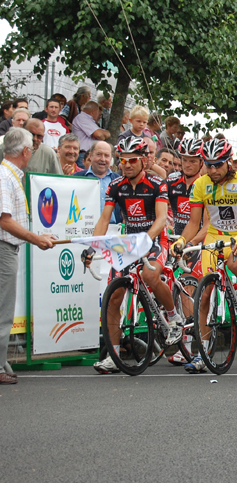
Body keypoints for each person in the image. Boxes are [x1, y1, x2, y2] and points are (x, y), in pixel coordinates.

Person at [82, 136, 183, 373]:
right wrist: (92, 247)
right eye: (123, 161)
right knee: (114, 296)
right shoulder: (116, 186)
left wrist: (146, 239)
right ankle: (113, 356)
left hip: (154, 238)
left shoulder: (157, 184)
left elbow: (161, 219)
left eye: (132, 160)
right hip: (128, 244)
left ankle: (173, 316)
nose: (127, 165)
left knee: (149, 274)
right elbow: (104, 219)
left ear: (143, 160)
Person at [171, 138, 237, 374]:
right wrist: (183, 240)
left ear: (229, 162)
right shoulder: (201, 184)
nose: (212, 170)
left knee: (233, 262)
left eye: (217, 165)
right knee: (204, 295)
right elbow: (194, 223)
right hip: (214, 237)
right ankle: (202, 353)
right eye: (208, 165)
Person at [0, 129, 57, 385]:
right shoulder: (5, 176)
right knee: (3, 312)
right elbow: (5, 221)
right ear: (25, 152)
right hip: (3, 249)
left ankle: (2, 362)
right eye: (31, 148)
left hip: (8, 248)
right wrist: (36, 239)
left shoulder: (9, 175)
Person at [164, 138, 209, 365]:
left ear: (201, 162)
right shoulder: (172, 182)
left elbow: (207, 225)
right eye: (184, 160)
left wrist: (189, 243)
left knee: (186, 287)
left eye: (193, 161)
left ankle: (190, 345)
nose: (188, 164)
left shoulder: (206, 184)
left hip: (197, 241)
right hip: (176, 239)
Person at [72, 141, 121, 224]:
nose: (102, 159)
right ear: (91, 156)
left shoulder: (119, 180)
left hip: (112, 231)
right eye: (99, 154)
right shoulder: (76, 179)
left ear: (111, 158)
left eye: (106, 155)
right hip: (85, 228)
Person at [71, 101, 110, 168]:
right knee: (85, 177)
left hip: (91, 155)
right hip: (83, 156)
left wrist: (103, 134)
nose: (99, 116)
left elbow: (107, 134)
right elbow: (99, 135)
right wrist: (102, 135)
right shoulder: (82, 118)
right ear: (93, 111)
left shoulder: (91, 121)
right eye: (99, 113)